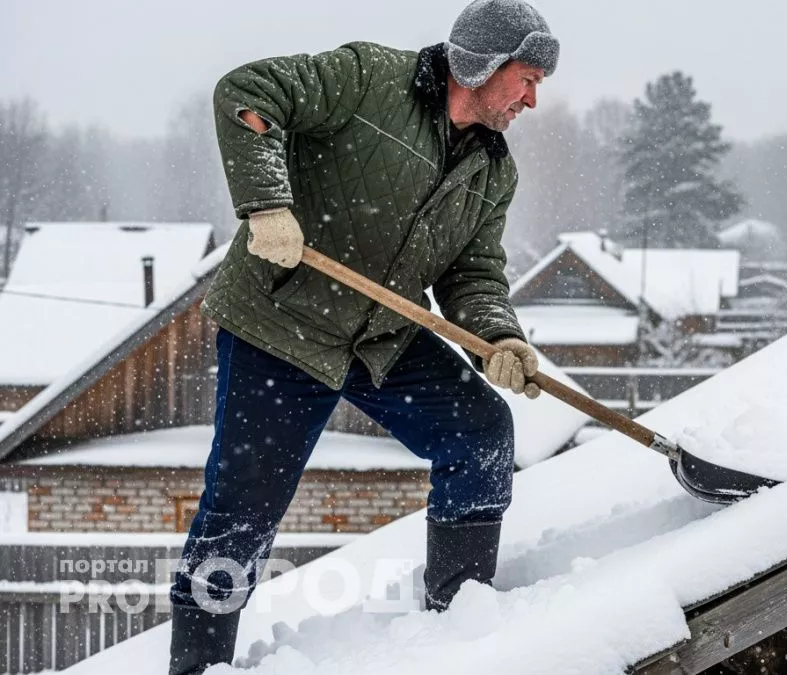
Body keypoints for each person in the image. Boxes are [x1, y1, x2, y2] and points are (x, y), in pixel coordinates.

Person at [166, 1, 558, 671]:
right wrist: (267, 202)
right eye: (525, 78)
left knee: (480, 429)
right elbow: (250, 93)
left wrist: (499, 336)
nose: (532, 98)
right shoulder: (370, 79)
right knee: (241, 512)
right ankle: (198, 663)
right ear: (482, 64)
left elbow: (473, 273)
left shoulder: (493, 171)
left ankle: (460, 629)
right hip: (283, 327)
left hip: (378, 336)